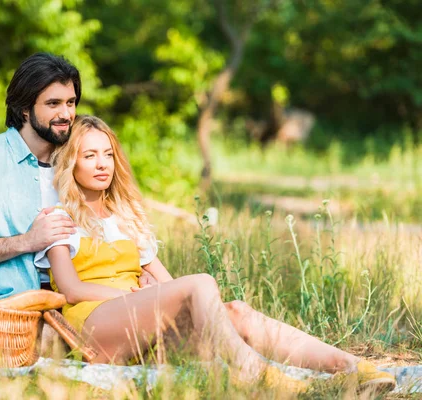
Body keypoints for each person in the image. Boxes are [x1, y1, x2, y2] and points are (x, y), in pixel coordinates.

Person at [34, 115, 397, 393]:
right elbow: (69, 289)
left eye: (108, 154)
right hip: (94, 328)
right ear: (71, 163)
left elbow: (170, 287)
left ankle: (350, 367)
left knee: (235, 311)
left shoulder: (126, 217)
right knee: (202, 283)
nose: (102, 164)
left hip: (138, 323)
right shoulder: (59, 217)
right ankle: (258, 375)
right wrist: (133, 295)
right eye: (90, 155)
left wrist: (162, 301)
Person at [0, 53, 155, 298]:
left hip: (91, 301)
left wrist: (140, 274)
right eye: (53, 104)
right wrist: (26, 242)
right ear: (25, 109)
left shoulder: (81, 159)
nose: (66, 114)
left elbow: (112, 227)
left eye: (70, 103)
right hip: (16, 310)